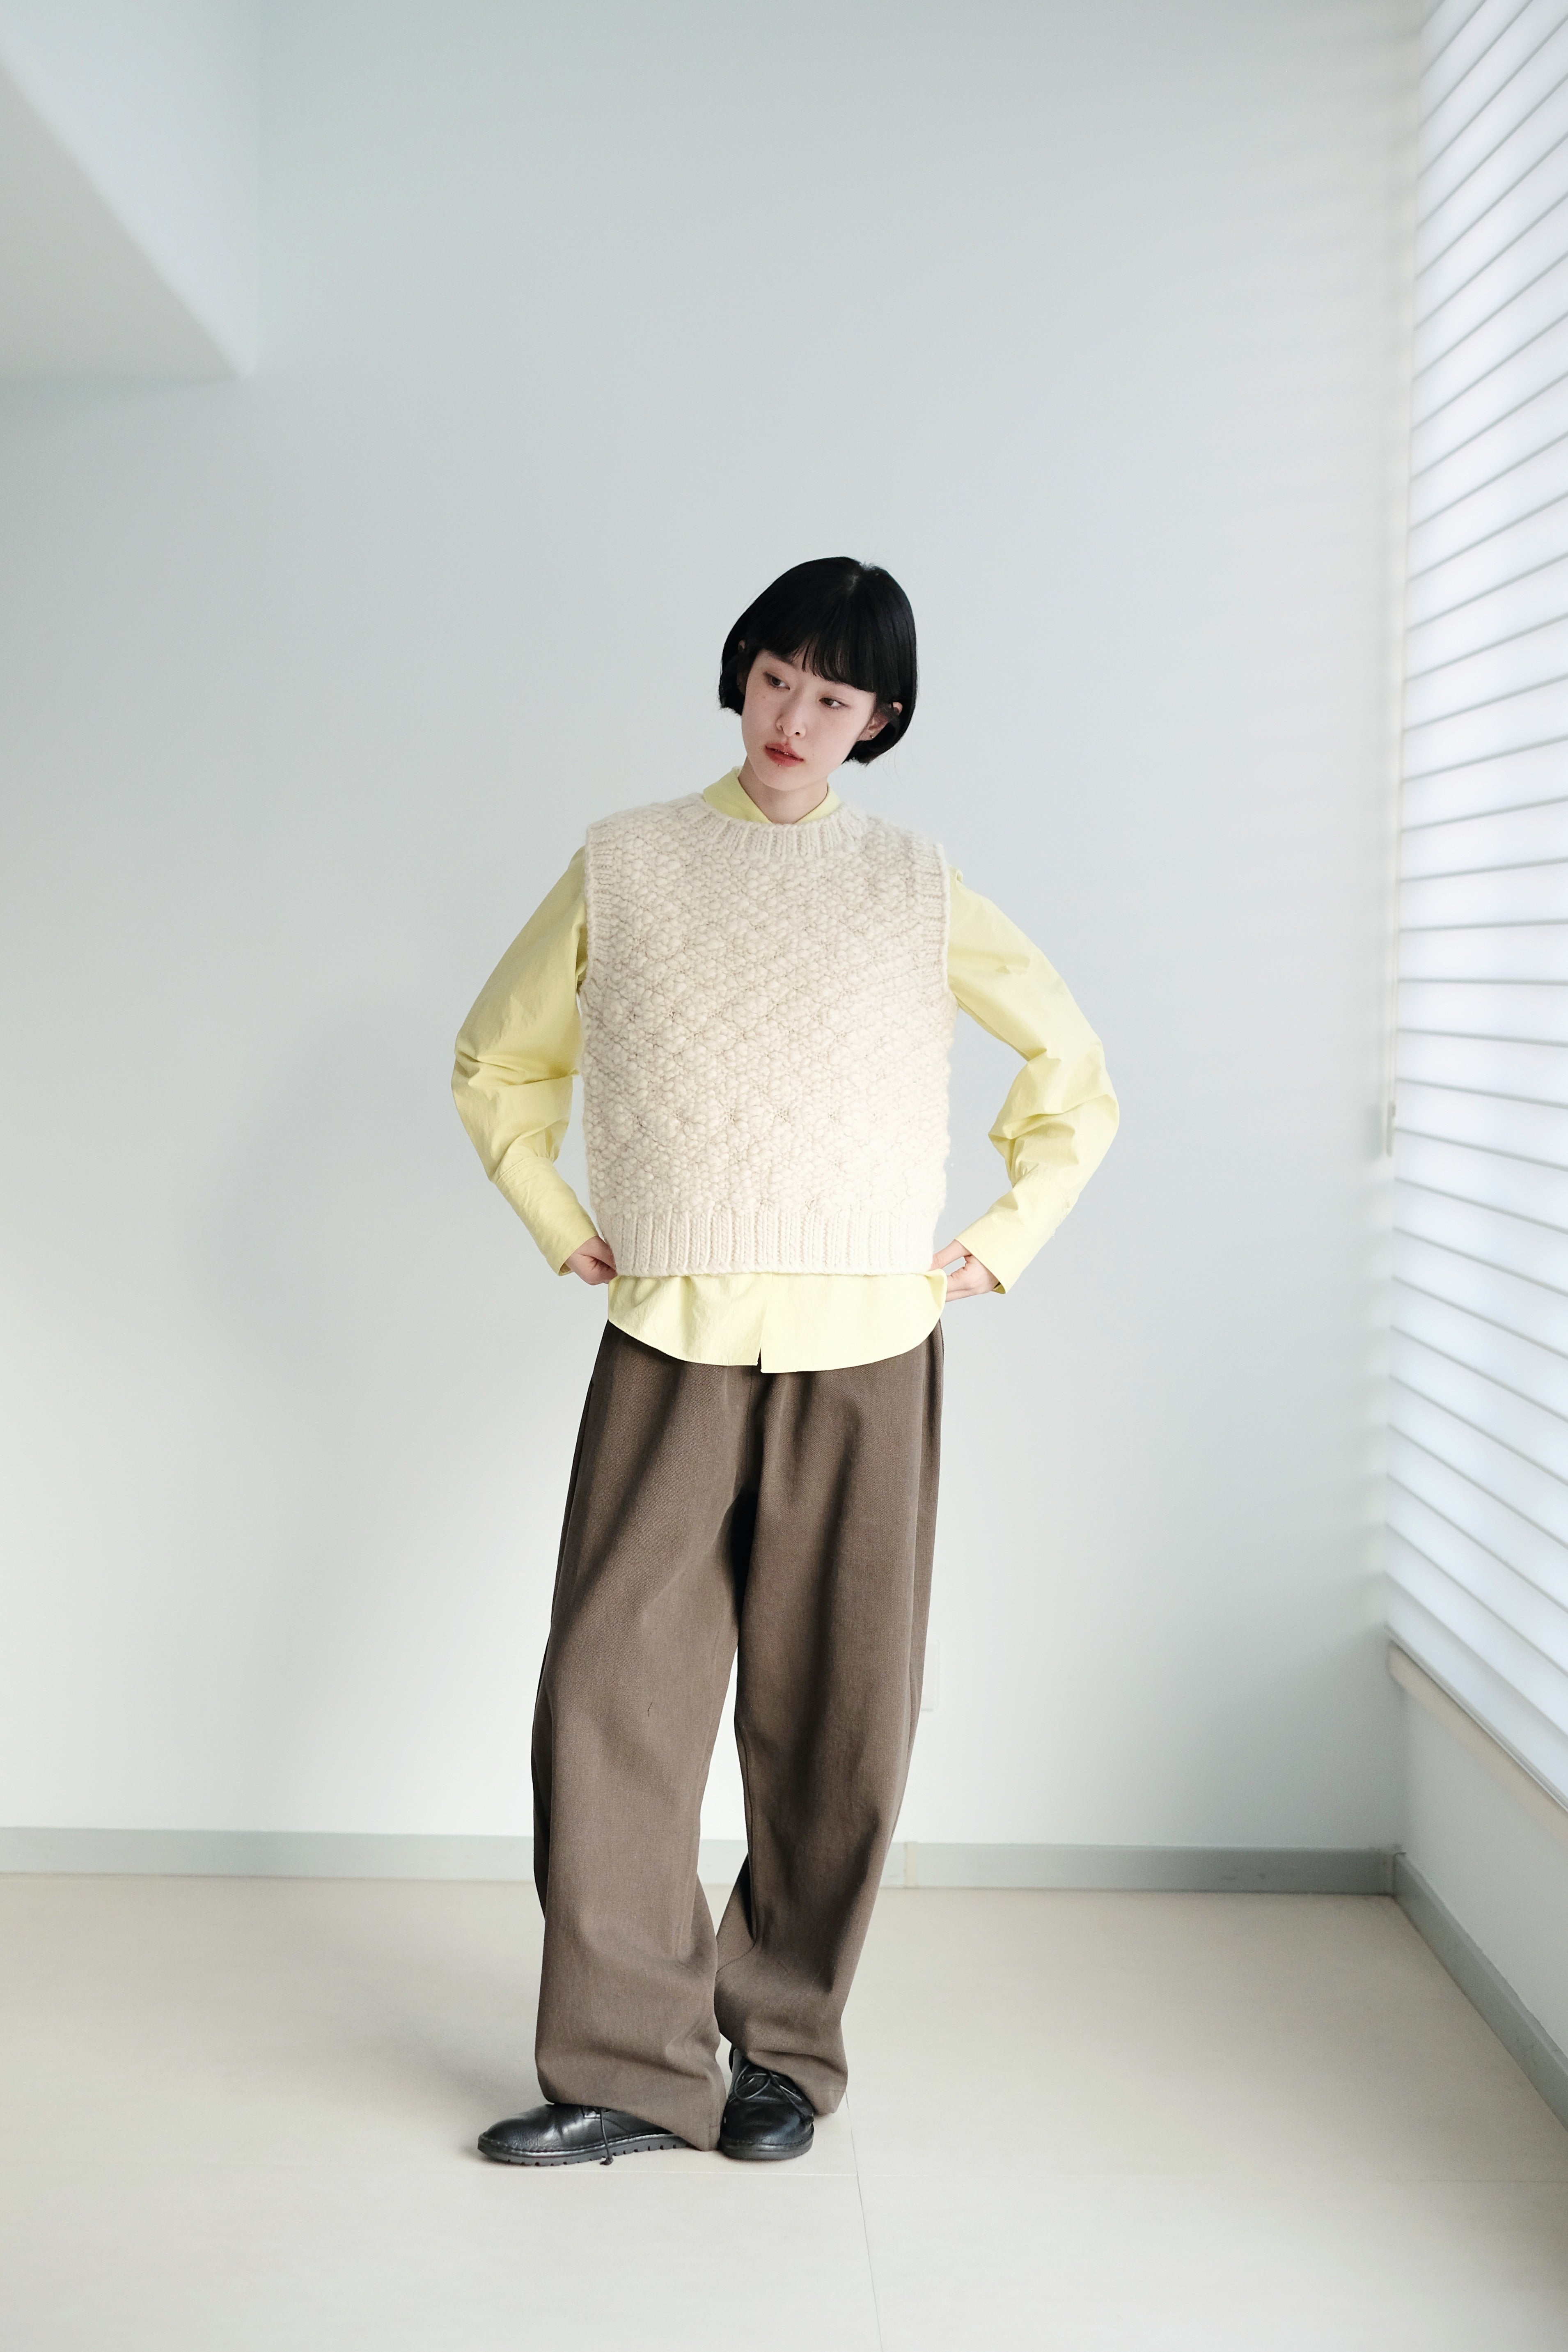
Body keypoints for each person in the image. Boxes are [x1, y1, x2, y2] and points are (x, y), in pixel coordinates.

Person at [451, 555, 1118, 2166]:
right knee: (609, 1693)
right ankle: (628, 2061)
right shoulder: (625, 860)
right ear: (739, 672)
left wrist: (1001, 1239)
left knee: (839, 1711)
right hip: (671, 1330)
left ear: (877, 718)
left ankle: (784, 2052)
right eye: (771, 677)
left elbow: (1071, 1065)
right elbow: (497, 1054)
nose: (790, 718)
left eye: (830, 696)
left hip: (869, 1343)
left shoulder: (913, 885)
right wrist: (558, 1213)